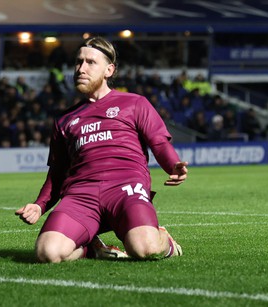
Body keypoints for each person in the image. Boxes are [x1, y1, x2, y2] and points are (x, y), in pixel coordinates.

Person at [15, 37, 188, 263]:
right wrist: (40, 205)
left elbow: (159, 142)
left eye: (90, 62)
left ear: (109, 69)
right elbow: (58, 172)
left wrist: (172, 164)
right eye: (78, 62)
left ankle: (164, 239)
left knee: (145, 248)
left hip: (125, 188)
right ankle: (92, 248)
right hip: (80, 194)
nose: (81, 69)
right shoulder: (64, 120)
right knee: (47, 253)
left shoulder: (134, 103)